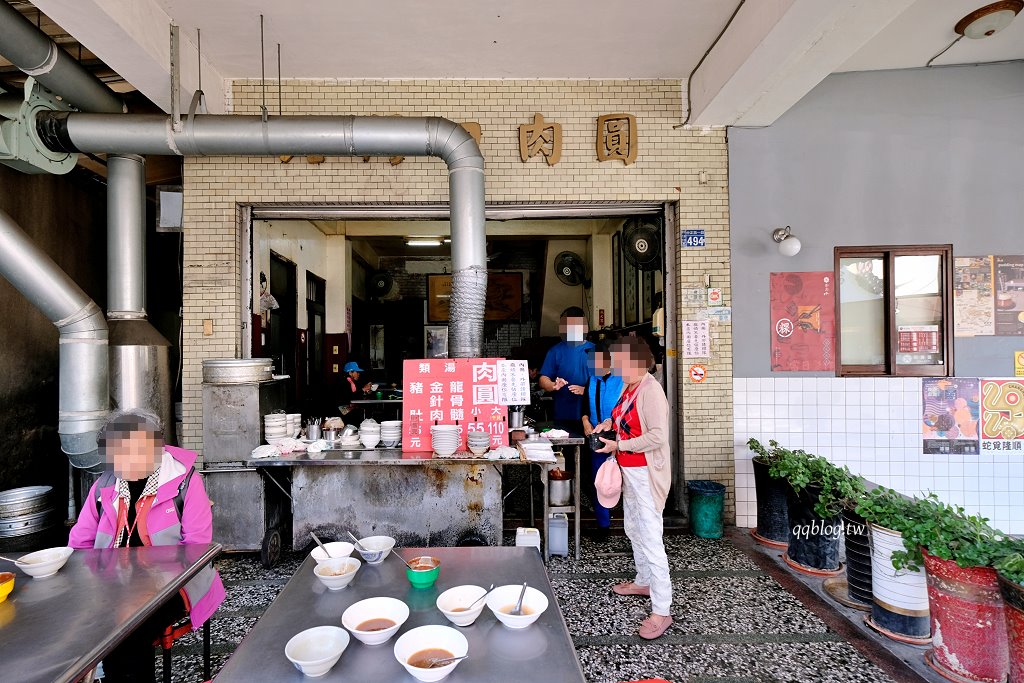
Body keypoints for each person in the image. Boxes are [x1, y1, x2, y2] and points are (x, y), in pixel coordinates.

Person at [68, 408, 225, 681]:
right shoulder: (104, 486)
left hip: (176, 583)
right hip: (113, 584)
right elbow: (80, 544)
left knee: (127, 625)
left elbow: (197, 549)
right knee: (81, 622)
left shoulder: (185, 483)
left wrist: (147, 587)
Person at [595, 335, 673, 640]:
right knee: (632, 528)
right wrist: (606, 425)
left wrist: (620, 443)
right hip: (629, 470)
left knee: (651, 536)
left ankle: (662, 609)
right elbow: (620, 419)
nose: (615, 366)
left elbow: (657, 437)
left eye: (620, 361)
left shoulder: (651, 391)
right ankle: (643, 580)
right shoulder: (630, 388)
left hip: (646, 473)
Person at [580, 339, 624, 540]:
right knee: (600, 482)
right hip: (598, 438)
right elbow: (584, 409)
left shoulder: (623, 380)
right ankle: (603, 526)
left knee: (626, 482)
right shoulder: (592, 380)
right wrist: (586, 422)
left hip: (623, 438)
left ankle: (633, 527)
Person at [538, 306, 594, 428]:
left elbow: (610, 382)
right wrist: (553, 385)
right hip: (563, 413)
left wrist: (586, 391)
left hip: (592, 415)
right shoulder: (555, 351)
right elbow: (543, 379)